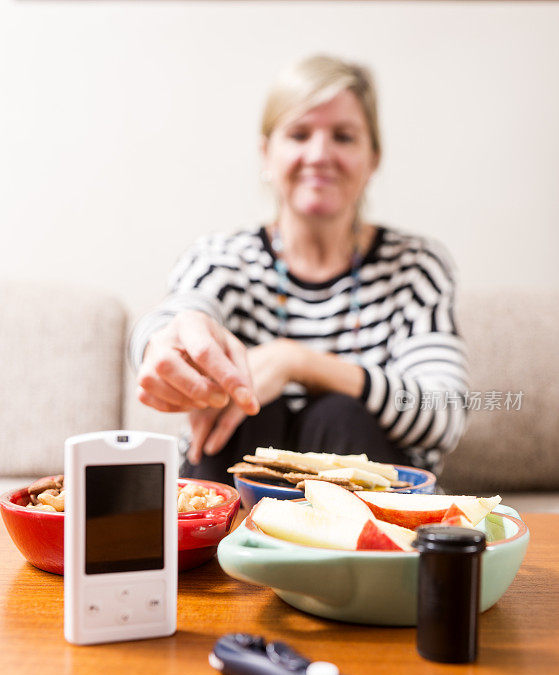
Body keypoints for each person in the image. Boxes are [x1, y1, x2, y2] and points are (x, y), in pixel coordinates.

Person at [129, 54, 468, 484]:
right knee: (256, 411)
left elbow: (446, 413)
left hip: (370, 511)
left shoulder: (416, 268)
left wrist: (296, 363)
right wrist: (166, 341)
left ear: (373, 158)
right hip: (235, 496)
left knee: (342, 415)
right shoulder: (223, 260)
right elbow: (167, 322)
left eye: (343, 137)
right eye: (299, 134)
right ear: (266, 153)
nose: (319, 154)